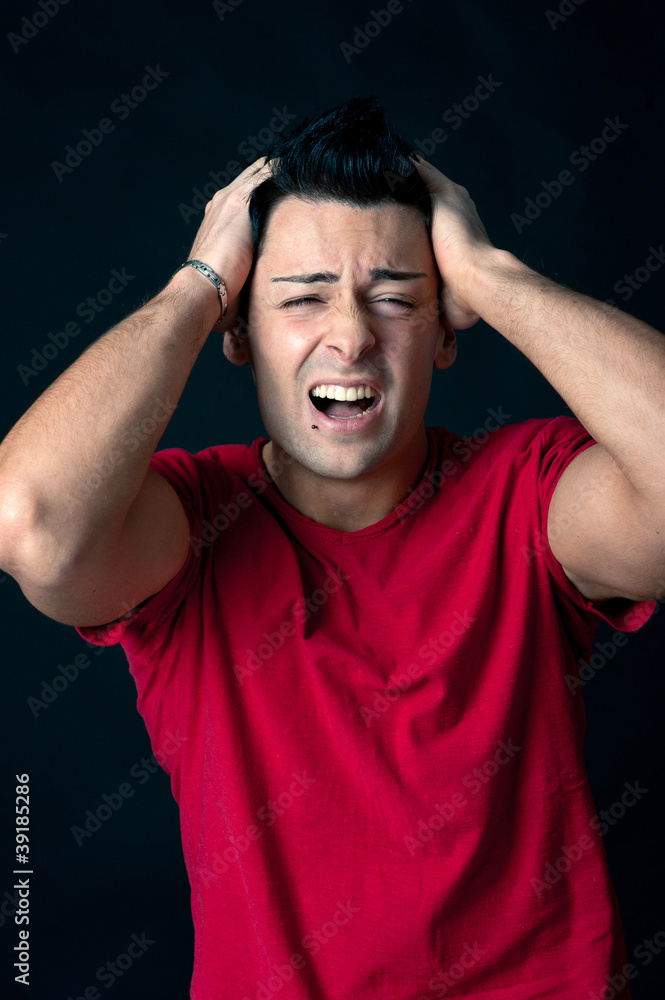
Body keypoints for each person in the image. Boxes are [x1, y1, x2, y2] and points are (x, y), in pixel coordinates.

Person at [0, 95, 663, 999]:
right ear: (238, 333)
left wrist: (494, 275)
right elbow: (26, 517)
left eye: (393, 299)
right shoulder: (188, 527)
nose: (350, 335)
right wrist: (198, 281)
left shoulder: (528, 494)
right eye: (303, 298)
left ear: (443, 333)